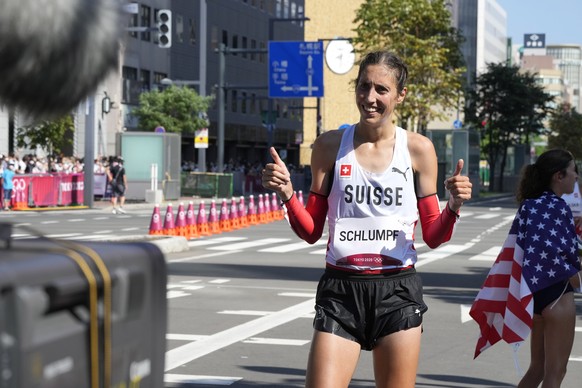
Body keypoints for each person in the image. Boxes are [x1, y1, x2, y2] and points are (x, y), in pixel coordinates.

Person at [262, 51, 472, 388]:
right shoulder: (330, 146)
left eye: (381, 90)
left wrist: (454, 206)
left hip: (397, 292)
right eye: (363, 87)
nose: (370, 98)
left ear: (400, 95)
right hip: (340, 290)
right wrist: (287, 193)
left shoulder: (418, 149)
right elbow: (311, 230)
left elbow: (433, 234)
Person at [470, 149, 581, 388]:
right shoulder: (560, 207)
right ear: (558, 176)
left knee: (537, 369)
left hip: (534, 293)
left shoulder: (529, 205)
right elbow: (567, 253)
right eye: (574, 171)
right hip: (559, 294)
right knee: (556, 372)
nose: (577, 177)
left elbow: (523, 247)